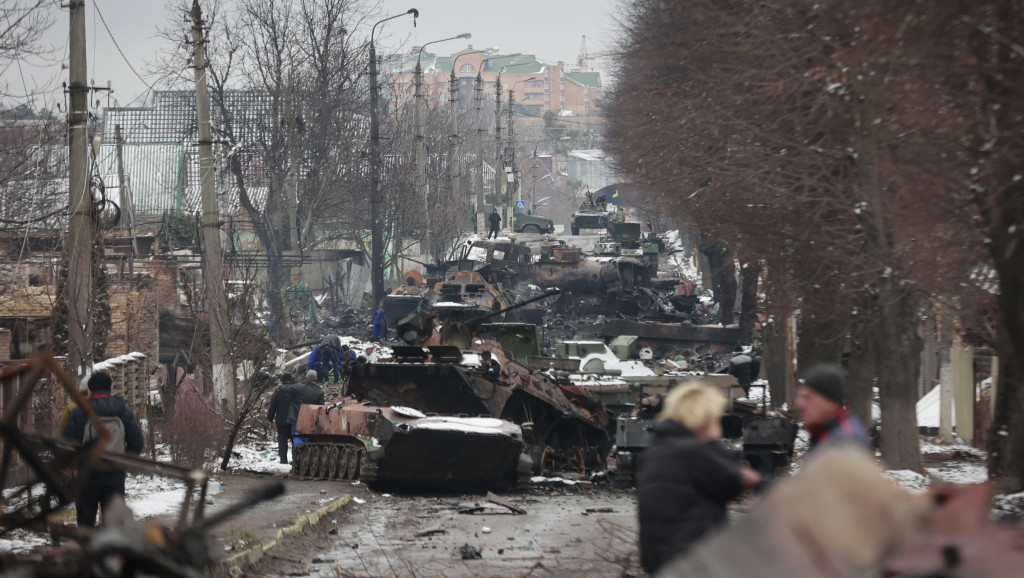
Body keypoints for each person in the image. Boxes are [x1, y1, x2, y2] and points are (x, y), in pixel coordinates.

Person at [637, 383, 761, 574]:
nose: (719, 422)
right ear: (703, 417)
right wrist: (712, 442)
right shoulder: (691, 451)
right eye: (716, 417)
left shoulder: (663, 447)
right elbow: (730, 482)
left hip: (666, 557)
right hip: (689, 559)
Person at [62, 371, 145, 528]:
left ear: (90, 390)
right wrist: (123, 462)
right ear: (110, 388)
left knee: (85, 526)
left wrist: (69, 465)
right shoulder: (122, 411)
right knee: (113, 527)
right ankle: (110, 551)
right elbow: (137, 442)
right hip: (114, 477)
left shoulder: (80, 411)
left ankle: (86, 550)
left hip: (87, 477)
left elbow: (67, 444)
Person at [795, 363, 870, 452]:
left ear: (831, 402)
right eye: (800, 397)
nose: (800, 404)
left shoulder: (846, 440)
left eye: (808, 398)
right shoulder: (823, 433)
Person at [266, 373, 296, 464]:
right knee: (294, 440)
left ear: (282, 381)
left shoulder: (278, 391)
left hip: (281, 420)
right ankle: (295, 460)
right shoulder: (296, 390)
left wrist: (270, 419)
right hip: (294, 421)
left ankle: (283, 461)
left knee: (282, 442)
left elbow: (272, 406)